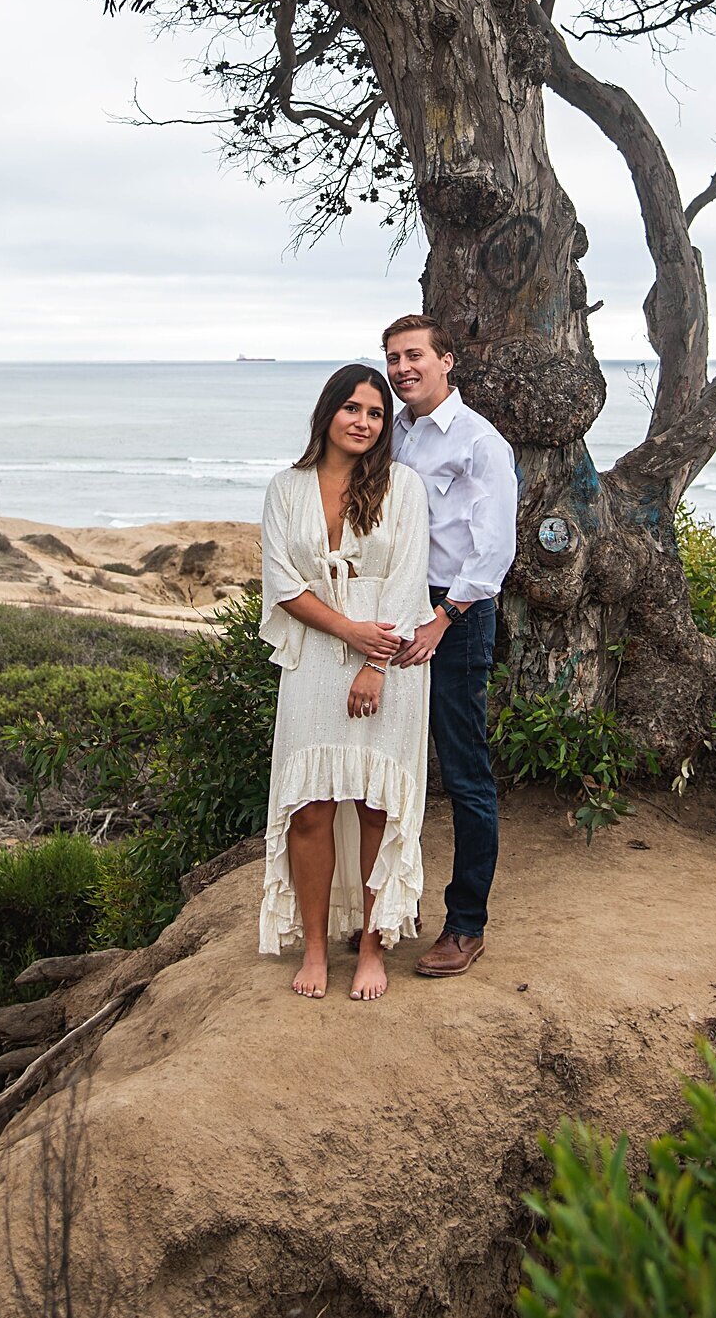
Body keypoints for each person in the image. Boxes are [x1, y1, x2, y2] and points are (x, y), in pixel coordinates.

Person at [258, 364, 434, 1001]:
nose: (364, 422)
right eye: (353, 409)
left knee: (374, 806)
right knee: (309, 809)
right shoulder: (286, 487)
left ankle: (370, 947)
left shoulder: (403, 486)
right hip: (314, 656)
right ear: (328, 412)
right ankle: (313, 948)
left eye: (377, 413)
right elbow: (282, 585)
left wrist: (375, 660)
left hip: (387, 662)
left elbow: (409, 581)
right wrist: (347, 633)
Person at [383, 314, 517, 977]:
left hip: (454, 617)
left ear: (447, 360)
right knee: (392, 762)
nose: (402, 367)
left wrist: (443, 617)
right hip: (400, 607)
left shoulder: (479, 442)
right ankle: (386, 912)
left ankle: (466, 925)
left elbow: (495, 548)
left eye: (414, 355)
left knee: (463, 773)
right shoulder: (397, 433)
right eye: (393, 358)